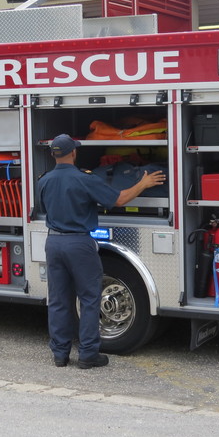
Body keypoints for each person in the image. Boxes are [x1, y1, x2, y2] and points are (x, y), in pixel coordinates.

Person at [37, 134, 166, 369]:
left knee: (58, 300)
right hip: (78, 244)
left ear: (53, 154)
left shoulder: (44, 180)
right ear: (73, 153)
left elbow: (44, 208)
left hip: (53, 243)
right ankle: (87, 354)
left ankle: (60, 354)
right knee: (88, 298)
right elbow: (119, 199)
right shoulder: (84, 179)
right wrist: (143, 184)